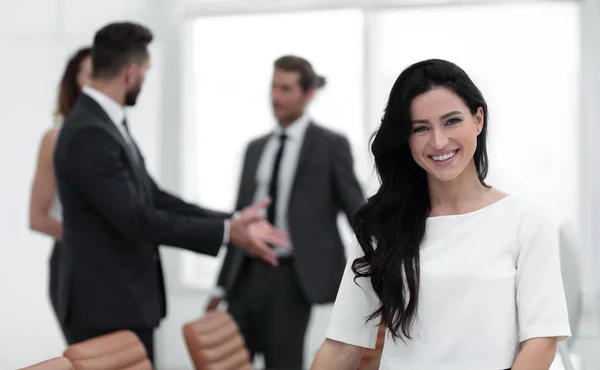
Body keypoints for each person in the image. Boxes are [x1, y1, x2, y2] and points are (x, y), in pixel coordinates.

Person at [311, 59, 571, 370]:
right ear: (406, 139)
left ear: (478, 119)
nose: (438, 141)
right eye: (421, 128)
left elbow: (541, 344)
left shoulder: (527, 221)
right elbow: (342, 345)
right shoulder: (383, 225)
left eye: (451, 121)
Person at [53, 22, 288, 362]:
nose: (144, 81)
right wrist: (225, 233)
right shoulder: (89, 132)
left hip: (121, 301)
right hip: (104, 306)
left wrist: (231, 220)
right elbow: (135, 219)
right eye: (146, 72)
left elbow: (154, 197)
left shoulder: (104, 124)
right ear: (131, 73)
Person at [206, 55, 365, 370]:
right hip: (245, 273)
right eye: (273, 87)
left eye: (286, 89)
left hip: (291, 276)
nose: (275, 97)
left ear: (308, 94)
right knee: (230, 362)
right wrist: (221, 285)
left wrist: (382, 270)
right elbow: (239, 219)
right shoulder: (255, 148)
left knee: (283, 363)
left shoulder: (330, 144)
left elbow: (356, 211)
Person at [29, 46, 92, 344]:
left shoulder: (119, 138)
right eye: (92, 75)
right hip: (75, 266)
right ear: (74, 82)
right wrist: (96, 240)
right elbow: (38, 219)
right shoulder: (57, 138)